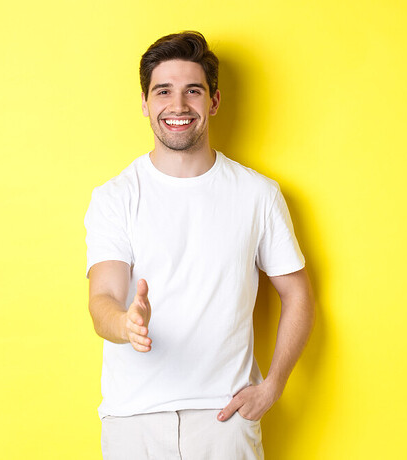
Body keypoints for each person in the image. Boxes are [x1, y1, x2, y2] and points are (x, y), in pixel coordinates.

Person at [84, 31, 315, 460]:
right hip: (134, 421)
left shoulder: (258, 194)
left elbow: (297, 293)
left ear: (214, 101)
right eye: (163, 91)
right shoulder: (115, 197)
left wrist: (274, 385)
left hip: (225, 419)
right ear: (145, 103)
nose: (178, 106)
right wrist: (126, 324)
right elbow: (103, 298)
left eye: (193, 91)